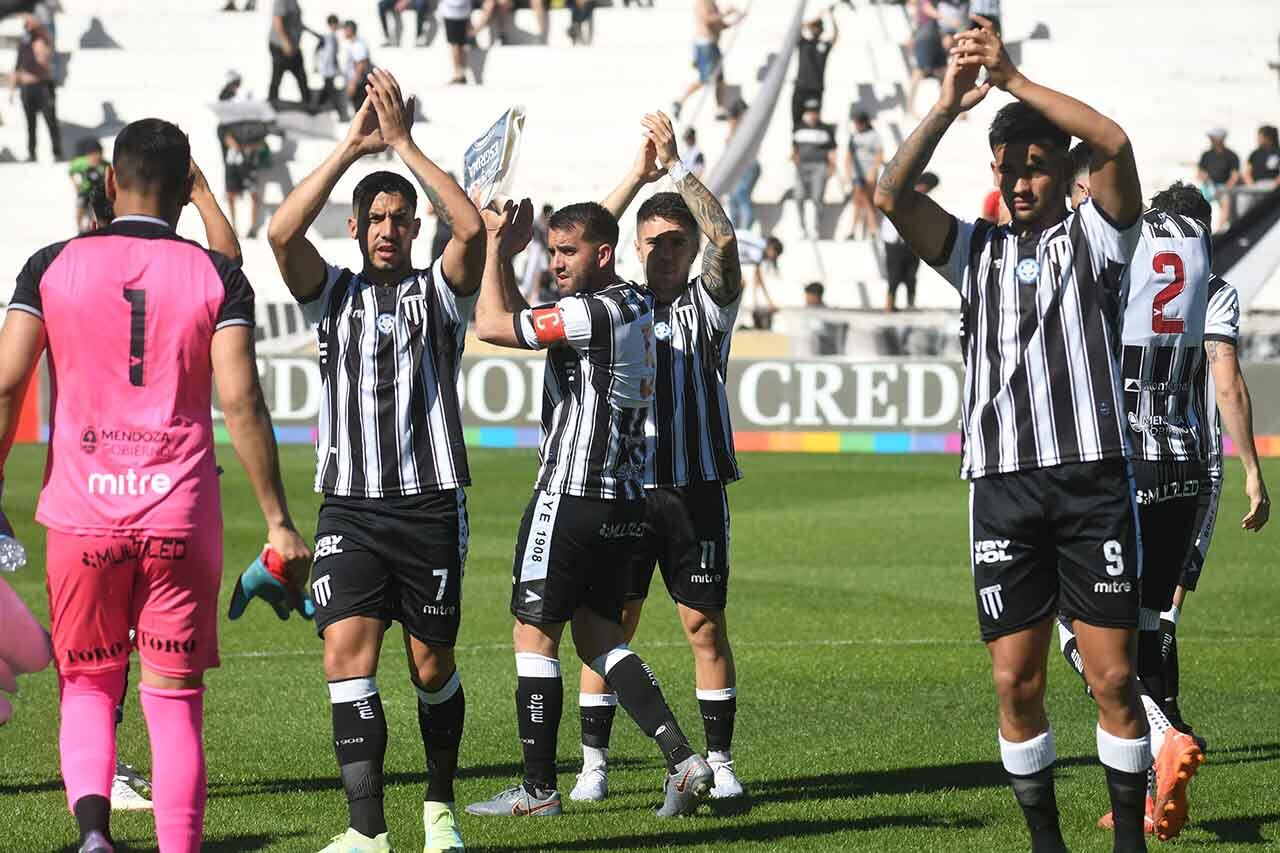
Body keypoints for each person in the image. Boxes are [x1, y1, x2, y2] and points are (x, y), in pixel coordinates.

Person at [875, 17, 1153, 853]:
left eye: (1034, 167)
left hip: (1090, 480)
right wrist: (949, 103)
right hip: (1002, 486)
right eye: (1007, 170)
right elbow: (890, 196)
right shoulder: (975, 251)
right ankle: (1047, 845)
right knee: (1014, 678)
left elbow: (1113, 139)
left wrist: (1014, 77)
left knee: (1112, 676)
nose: (1020, 183)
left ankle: (1129, 843)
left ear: (1063, 172)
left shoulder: (1098, 238)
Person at [0, 118, 310, 853]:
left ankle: (96, 837)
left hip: (82, 515)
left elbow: (8, 383)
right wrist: (278, 520)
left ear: (111, 182)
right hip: (179, 513)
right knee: (175, 703)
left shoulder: (50, 264)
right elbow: (242, 401)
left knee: (88, 685)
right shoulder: (214, 274)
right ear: (184, 187)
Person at [266, 69, 484, 853]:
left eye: (400, 218)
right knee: (344, 656)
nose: (389, 228)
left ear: (413, 229)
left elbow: (474, 231)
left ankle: (439, 808)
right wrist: (352, 147)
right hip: (350, 509)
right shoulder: (333, 296)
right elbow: (282, 234)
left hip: (429, 505)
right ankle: (367, 832)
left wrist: (402, 146)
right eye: (377, 218)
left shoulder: (441, 295)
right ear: (356, 228)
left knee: (430, 666)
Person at [466, 197, 714, 819]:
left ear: (602, 254)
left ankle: (538, 790)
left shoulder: (589, 311)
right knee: (600, 637)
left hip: (570, 495)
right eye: (551, 252)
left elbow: (491, 325)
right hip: (624, 501)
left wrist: (497, 244)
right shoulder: (631, 301)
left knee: (533, 634)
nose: (555, 263)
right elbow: (536, 317)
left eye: (567, 252)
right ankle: (684, 760)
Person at [564, 113, 746, 803]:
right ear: (633, 249)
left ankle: (721, 761)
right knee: (611, 624)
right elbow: (579, 249)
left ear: (690, 246)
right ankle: (594, 765)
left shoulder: (710, 303)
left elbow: (725, 238)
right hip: (625, 489)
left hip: (696, 490)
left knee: (704, 625)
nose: (665, 252)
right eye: (652, 243)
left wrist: (674, 168)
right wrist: (634, 178)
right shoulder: (617, 304)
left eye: (676, 242)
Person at [1059, 173, 1214, 841]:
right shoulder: (1197, 243)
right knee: (1147, 622)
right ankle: (1150, 794)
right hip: (1184, 454)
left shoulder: (1122, 243)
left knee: (1066, 613)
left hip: (1126, 454)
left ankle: (1162, 734)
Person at [673, 0, 744, 121]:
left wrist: (737, 20)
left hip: (713, 46)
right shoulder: (702, 2)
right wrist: (726, 13)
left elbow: (719, 25)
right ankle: (680, 101)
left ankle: (719, 108)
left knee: (719, 79)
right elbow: (707, 19)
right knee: (706, 79)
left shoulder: (712, 3)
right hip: (705, 45)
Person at [881, 171, 937, 311]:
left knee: (911, 274)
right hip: (895, 241)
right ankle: (889, 304)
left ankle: (910, 304)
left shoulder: (921, 199)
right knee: (894, 274)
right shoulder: (902, 195)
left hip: (912, 242)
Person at [11, 13, 61, 161]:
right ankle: (32, 153)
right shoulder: (24, 43)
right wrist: (13, 88)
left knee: (50, 121)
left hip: (43, 86)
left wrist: (33, 21)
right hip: (27, 87)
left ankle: (57, 152)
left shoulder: (43, 39)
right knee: (30, 123)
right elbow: (18, 65)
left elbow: (44, 36)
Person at [791, 99, 836, 238]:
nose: (812, 114)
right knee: (798, 196)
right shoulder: (798, 127)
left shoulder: (826, 129)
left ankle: (816, 227)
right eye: (810, 111)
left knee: (817, 197)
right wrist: (795, 159)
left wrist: (831, 166)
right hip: (802, 166)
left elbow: (832, 150)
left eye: (815, 112)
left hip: (819, 165)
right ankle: (802, 227)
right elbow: (794, 147)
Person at [791, 6, 838, 128]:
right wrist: (813, 19)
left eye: (818, 27)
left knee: (814, 122)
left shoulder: (824, 45)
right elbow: (796, 28)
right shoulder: (803, 43)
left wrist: (831, 17)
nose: (815, 30)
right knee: (796, 122)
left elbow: (835, 35)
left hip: (815, 89)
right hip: (800, 88)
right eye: (814, 27)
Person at [223, 128, 271, 238]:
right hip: (233, 164)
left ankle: (253, 228)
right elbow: (226, 137)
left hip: (250, 165)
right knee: (231, 195)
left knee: (253, 195)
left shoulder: (256, 126)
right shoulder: (230, 124)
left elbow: (262, 144)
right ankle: (234, 226)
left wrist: (246, 147)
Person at [844, 110, 883, 240]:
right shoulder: (854, 137)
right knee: (858, 201)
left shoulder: (874, 135)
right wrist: (848, 173)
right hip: (857, 174)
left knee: (868, 201)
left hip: (869, 174)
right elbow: (848, 156)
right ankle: (855, 230)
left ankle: (872, 229)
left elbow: (879, 154)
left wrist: (873, 171)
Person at [724, 99, 760, 229]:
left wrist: (734, 125)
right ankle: (736, 231)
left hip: (747, 164)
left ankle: (745, 230)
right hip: (741, 165)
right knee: (733, 198)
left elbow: (732, 144)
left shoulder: (745, 127)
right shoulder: (742, 127)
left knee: (740, 194)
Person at [269, 0, 312, 107]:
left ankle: (308, 103)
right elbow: (277, 21)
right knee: (277, 75)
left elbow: (296, 22)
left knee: (301, 77)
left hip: (293, 46)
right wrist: (285, 42)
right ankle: (272, 102)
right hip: (280, 46)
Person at [1196, 128, 1240, 231]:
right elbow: (1200, 172)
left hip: (1223, 187)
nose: (1210, 140)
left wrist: (1228, 187)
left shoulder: (1231, 155)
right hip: (1208, 186)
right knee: (1198, 204)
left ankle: (1219, 230)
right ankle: (1201, 229)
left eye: (1212, 137)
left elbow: (1235, 175)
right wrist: (1205, 179)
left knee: (1226, 203)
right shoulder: (1206, 155)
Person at [68, 139, 109, 234]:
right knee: (80, 208)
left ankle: (92, 229)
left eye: (98, 154)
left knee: (96, 212)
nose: (96, 158)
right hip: (85, 191)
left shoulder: (105, 165)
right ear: (87, 155)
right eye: (93, 155)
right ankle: (79, 229)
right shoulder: (81, 163)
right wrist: (75, 184)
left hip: (98, 192)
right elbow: (71, 170)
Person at [312, 14, 347, 119]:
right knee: (331, 91)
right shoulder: (325, 36)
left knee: (327, 90)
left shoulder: (333, 37)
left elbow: (334, 55)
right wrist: (316, 65)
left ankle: (316, 108)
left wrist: (337, 68)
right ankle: (340, 113)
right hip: (326, 69)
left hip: (330, 69)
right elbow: (317, 51)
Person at [343, 19, 373, 111]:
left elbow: (361, 64)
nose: (343, 32)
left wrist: (353, 84)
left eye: (345, 29)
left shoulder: (358, 45)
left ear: (350, 30)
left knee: (361, 111)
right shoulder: (354, 44)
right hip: (357, 82)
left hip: (360, 83)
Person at [438, 0, 469, 84]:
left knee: (456, 45)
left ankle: (458, 74)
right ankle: (460, 73)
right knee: (459, 45)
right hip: (458, 11)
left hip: (454, 12)